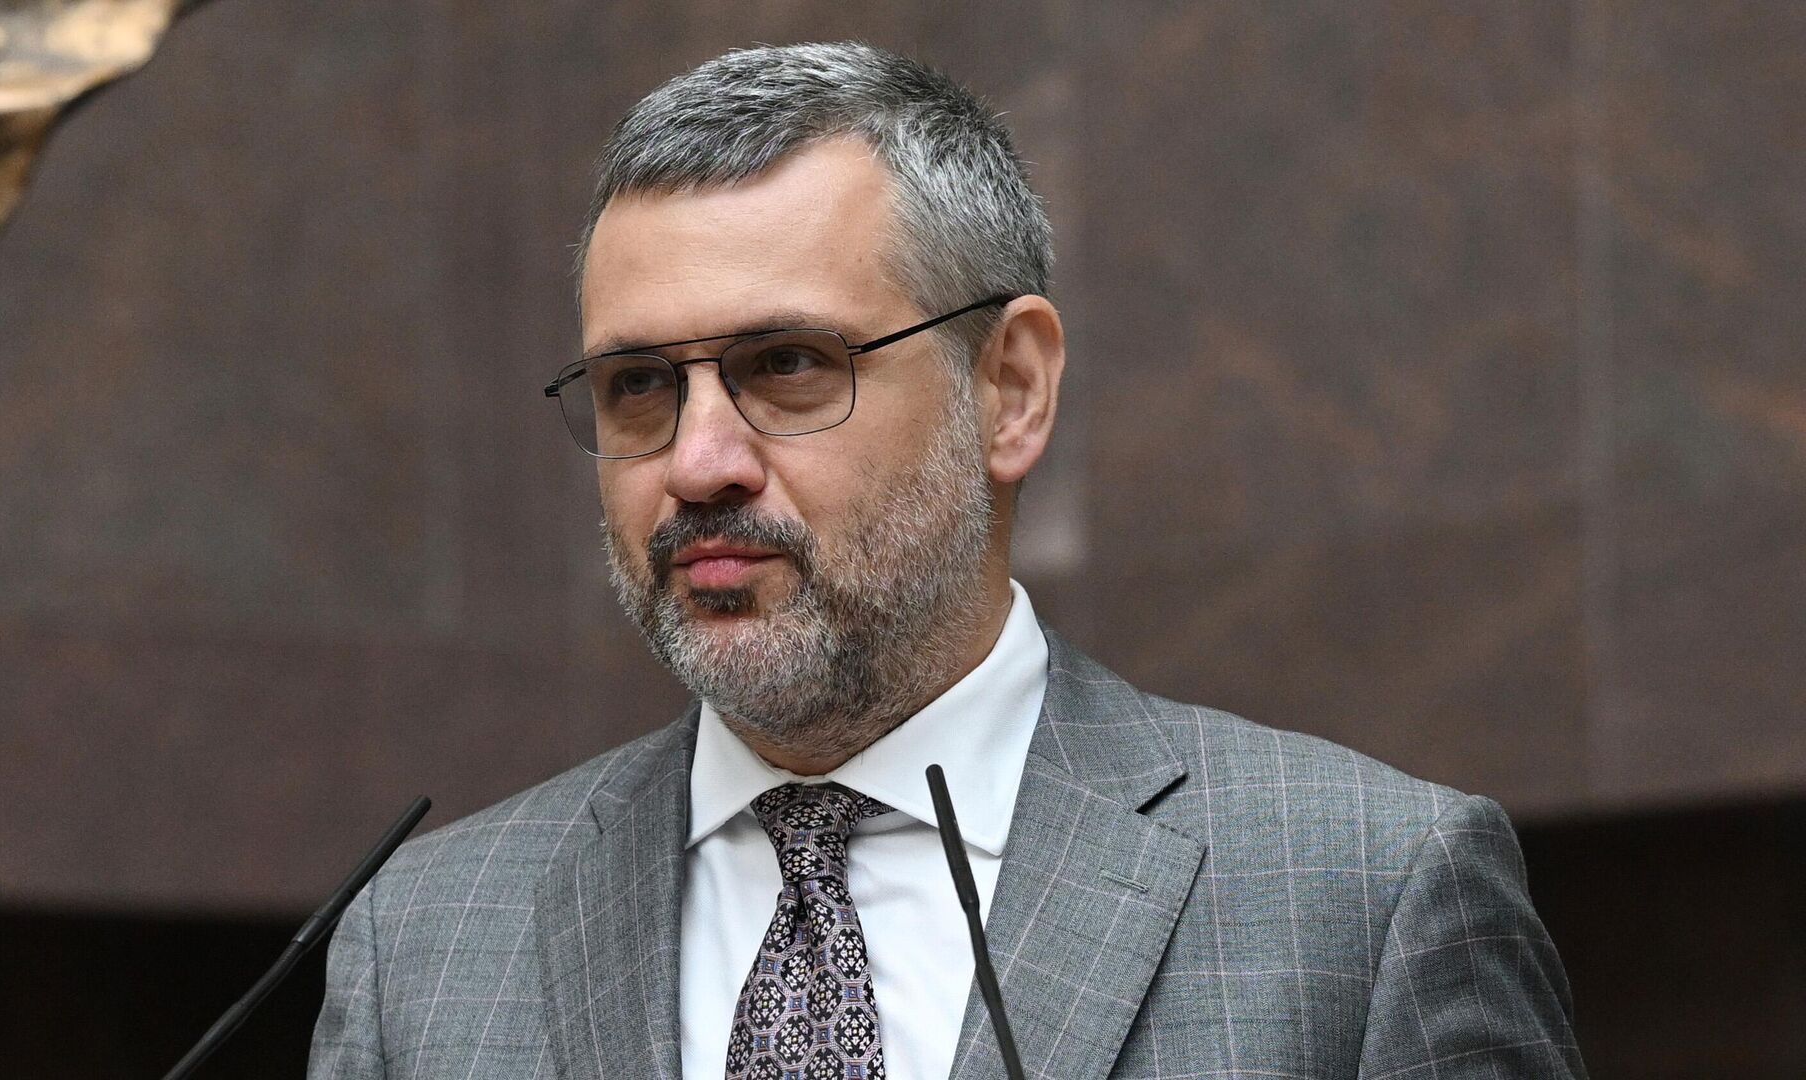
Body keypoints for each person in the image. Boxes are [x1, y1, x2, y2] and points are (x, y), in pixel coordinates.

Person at [309, 41, 1585, 1080]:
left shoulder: (1364, 896)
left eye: (787, 366)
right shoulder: (421, 947)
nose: (699, 463)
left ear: (1010, 390)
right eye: (639, 385)